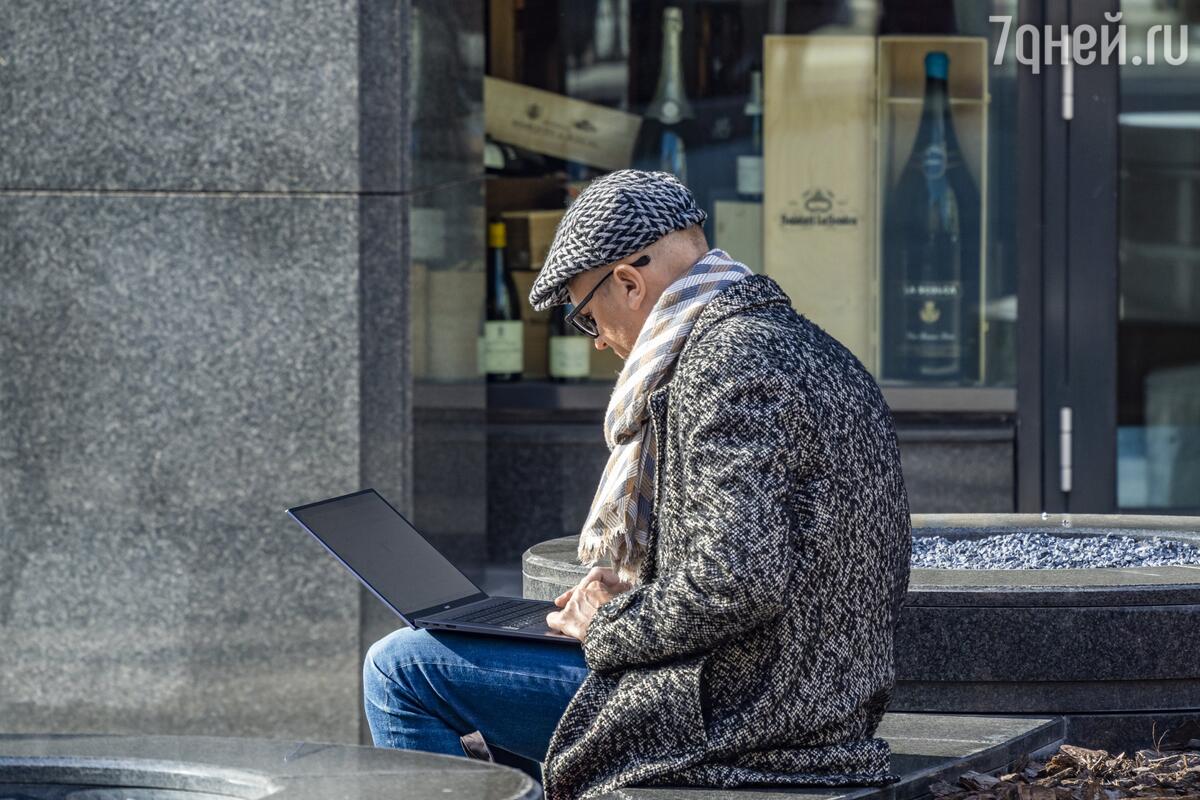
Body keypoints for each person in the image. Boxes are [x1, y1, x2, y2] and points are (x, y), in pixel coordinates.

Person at [363, 169, 912, 800]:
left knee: (402, 668)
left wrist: (607, 623)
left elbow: (737, 585)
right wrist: (641, 589)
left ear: (627, 281)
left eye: (585, 315)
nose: (596, 343)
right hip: (811, 697)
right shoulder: (807, 345)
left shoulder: (723, 363)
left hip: (743, 715)